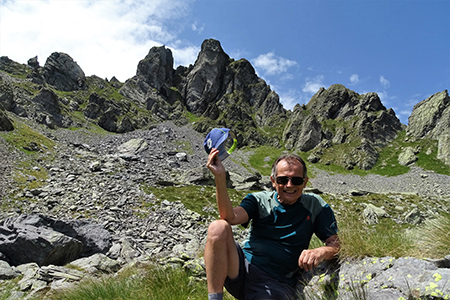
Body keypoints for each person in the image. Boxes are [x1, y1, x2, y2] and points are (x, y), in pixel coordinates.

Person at [204, 149, 340, 300]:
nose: (289, 185)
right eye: (283, 180)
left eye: (296, 180)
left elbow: (336, 244)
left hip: (277, 282)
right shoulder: (259, 200)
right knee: (218, 227)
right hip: (242, 268)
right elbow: (229, 217)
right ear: (273, 181)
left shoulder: (316, 206)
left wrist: (321, 252)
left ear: (305, 182)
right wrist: (220, 177)